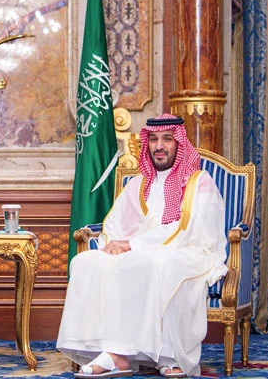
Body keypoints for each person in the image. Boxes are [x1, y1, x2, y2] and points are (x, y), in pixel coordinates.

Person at [57, 113, 228, 378]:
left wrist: (131, 245)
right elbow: (115, 223)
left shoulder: (199, 182)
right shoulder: (139, 183)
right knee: (86, 261)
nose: (159, 146)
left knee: (153, 262)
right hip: (141, 252)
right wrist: (112, 246)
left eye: (167, 139)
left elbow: (188, 230)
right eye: (154, 139)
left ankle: (167, 356)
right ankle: (108, 353)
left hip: (190, 253)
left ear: (179, 143)